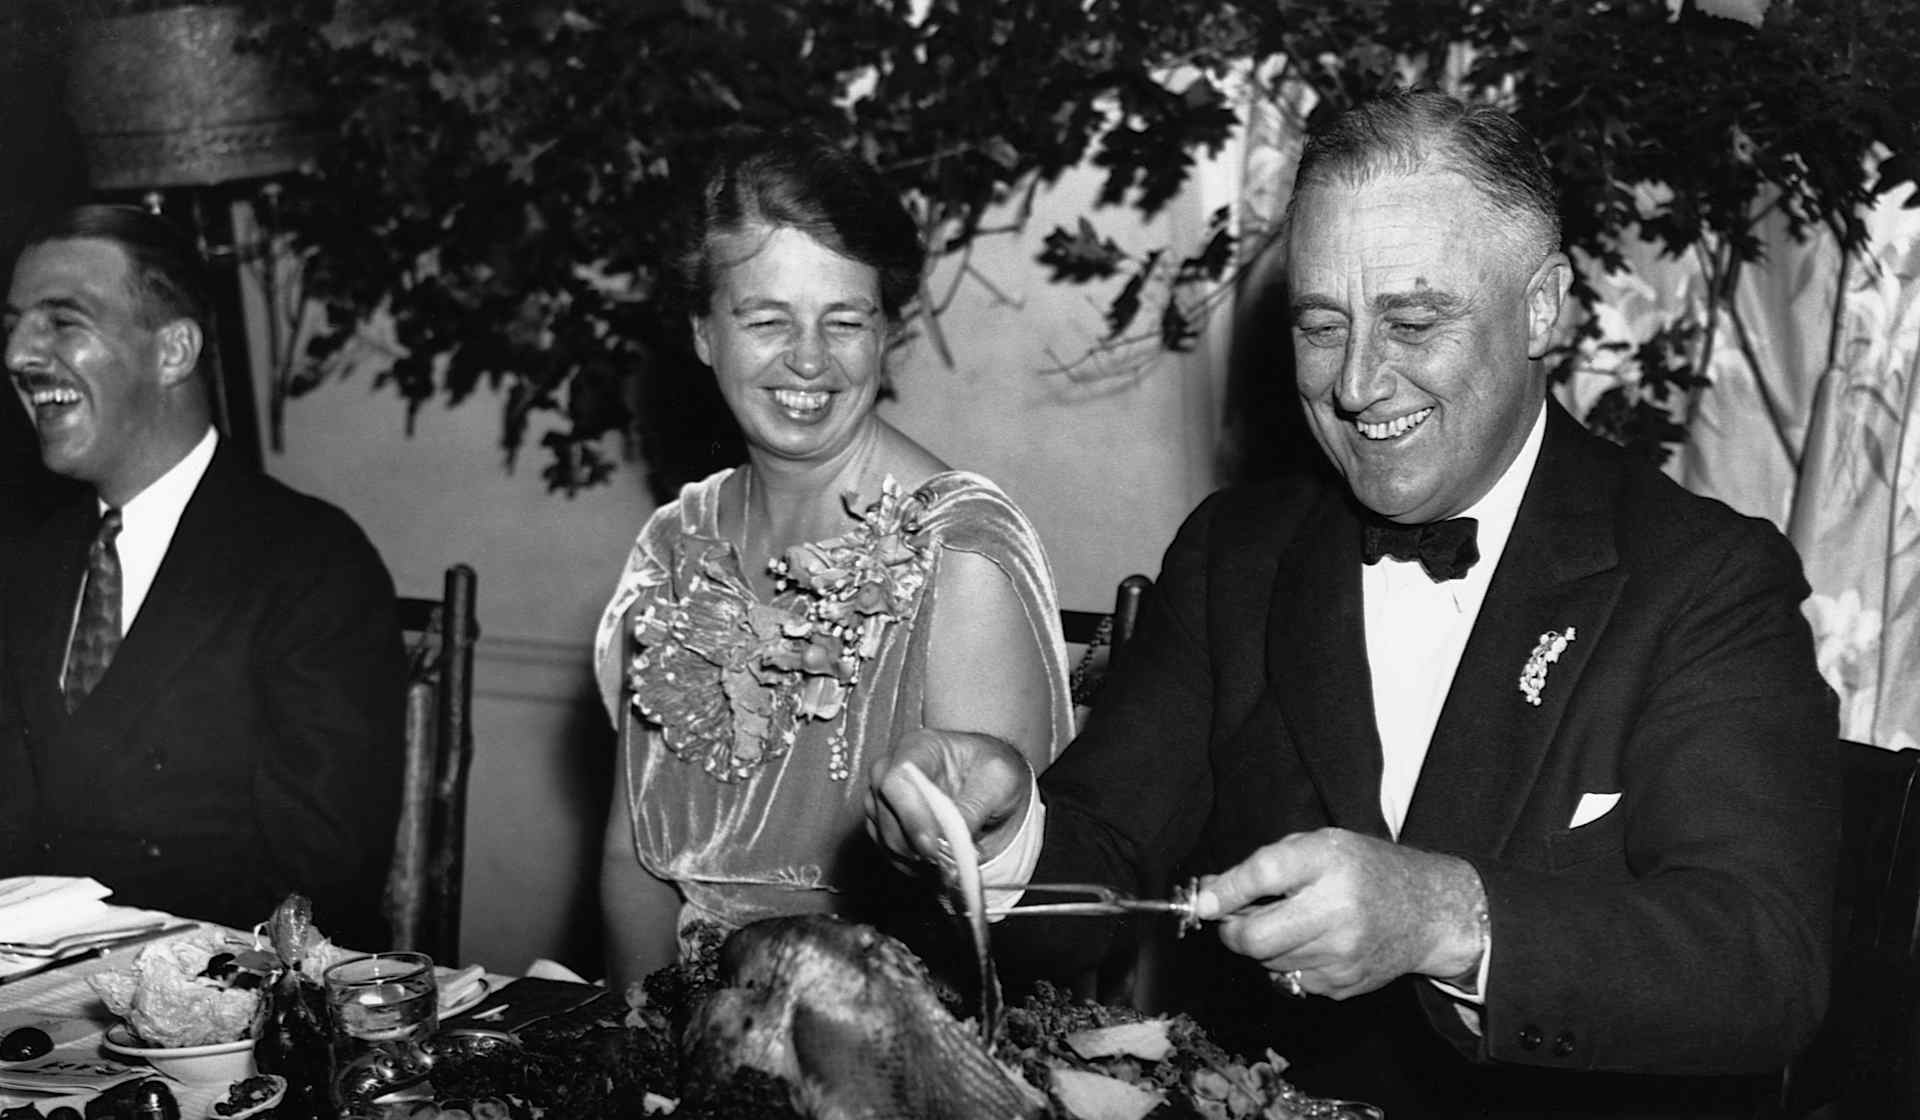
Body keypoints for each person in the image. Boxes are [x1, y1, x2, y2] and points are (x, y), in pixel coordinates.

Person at [870, 89, 1839, 1118]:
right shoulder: (1236, 556)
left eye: (1414, 322)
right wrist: (1000, 822)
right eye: (1322, 328)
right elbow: (1100, 864)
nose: (1357, 385)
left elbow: (1762, 963)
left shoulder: (1704, 578)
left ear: (1543, 305)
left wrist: (1446, 917)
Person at [592, 127, 1075, 989]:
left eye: (844, 320)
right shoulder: (673, 546)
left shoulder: (960, 553)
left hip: (897, 1038)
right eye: (767, 319)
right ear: (704, 332)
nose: (809, 359)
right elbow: (636, 862)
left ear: (886, 333)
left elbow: (1005, 928)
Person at [0, 204, 406, 949]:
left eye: (61, 322)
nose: (19, 355)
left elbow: (320, 881)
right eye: (14, 324)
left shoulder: (310, 563)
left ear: (174, 351)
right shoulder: (26, 565)